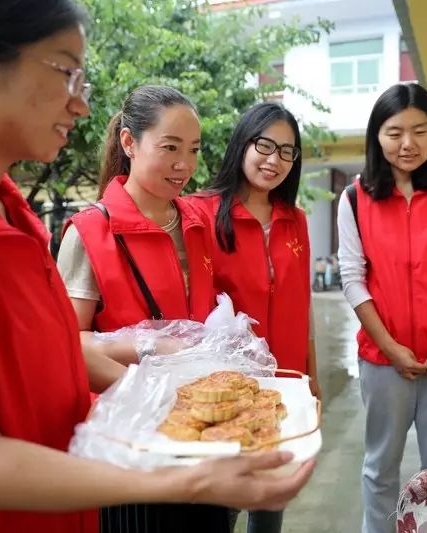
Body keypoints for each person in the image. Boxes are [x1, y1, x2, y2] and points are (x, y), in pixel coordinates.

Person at [0, 2, 315, 532]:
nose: (80, 104)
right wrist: (184, 476)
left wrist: (182, 394)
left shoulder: (13, 216)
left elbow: (67, 356)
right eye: (65, 72)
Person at [56, 85, 229, 531]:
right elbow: (66, 345)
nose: (184, 165)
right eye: (170, 148)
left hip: (200, 425)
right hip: (129, 437)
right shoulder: (92, 232)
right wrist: (147, 352)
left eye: (193, 150)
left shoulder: (195, 224)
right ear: (129, 143)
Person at [337, 82, 427, 533]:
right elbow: (352, 277)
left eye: (420, 131)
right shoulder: (355, 198)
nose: (408, 144)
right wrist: (390, 346)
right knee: (381, 465)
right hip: (383, 361)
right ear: (376, 135)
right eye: (394, 131)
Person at [184, 102, 320, 533]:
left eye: (287, 151)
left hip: (284, 384)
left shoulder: (294, 219)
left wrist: (310, 380)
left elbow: (303, 305)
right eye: (265, 145)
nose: (274, 160)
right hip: (228, 385)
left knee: (271, 497)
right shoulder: (200, 212)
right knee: (221, 505)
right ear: (243, 143)